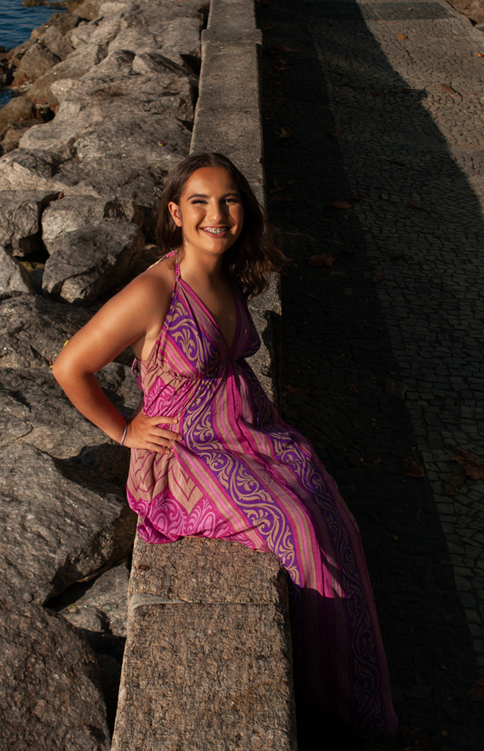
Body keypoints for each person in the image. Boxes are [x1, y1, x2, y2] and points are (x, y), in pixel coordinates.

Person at [52, 152, 398, 739]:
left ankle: (359, 695)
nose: (218, 214)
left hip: (247, 430)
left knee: (331, 511)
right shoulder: (155, 290)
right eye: (200, 202)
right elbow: (70, 367)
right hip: (186, 451)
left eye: (230, 199)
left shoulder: (227, 271)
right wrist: (124, 429)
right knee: (297, 532)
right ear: (175, 213)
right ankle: (329, 711)